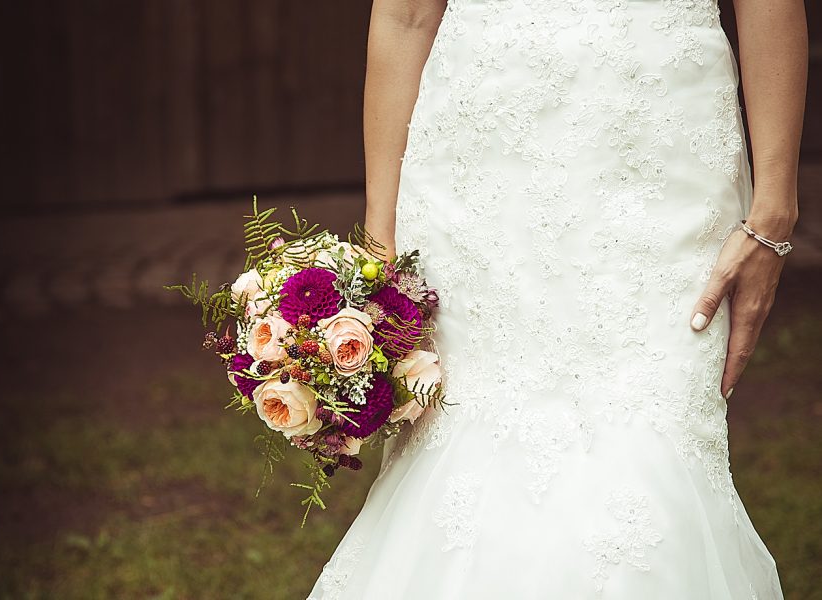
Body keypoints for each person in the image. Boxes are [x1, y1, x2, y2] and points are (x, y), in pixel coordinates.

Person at [308, 0, 806, 597]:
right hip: (479, 161)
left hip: (660, 156)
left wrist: (774, 212)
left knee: (653, 454)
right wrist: (378, 240)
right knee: (467, 448)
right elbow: (405, 15)